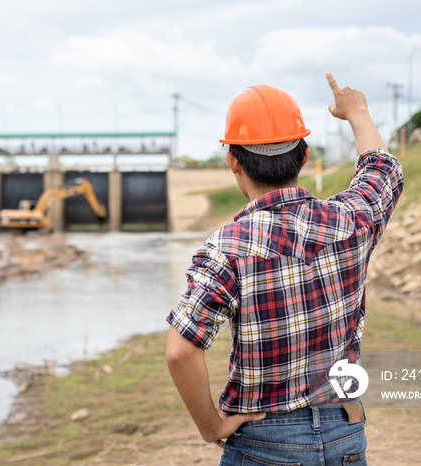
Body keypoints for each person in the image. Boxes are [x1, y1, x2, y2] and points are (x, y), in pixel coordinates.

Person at [165, 73, 404, 465]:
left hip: (262, 442)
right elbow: (382, 171)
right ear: (305, 156)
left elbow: (180, 351)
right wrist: (357, 112)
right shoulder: (351, 222)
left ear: (233, 162)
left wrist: (211, 427)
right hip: (345, 431)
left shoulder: (227, 247)